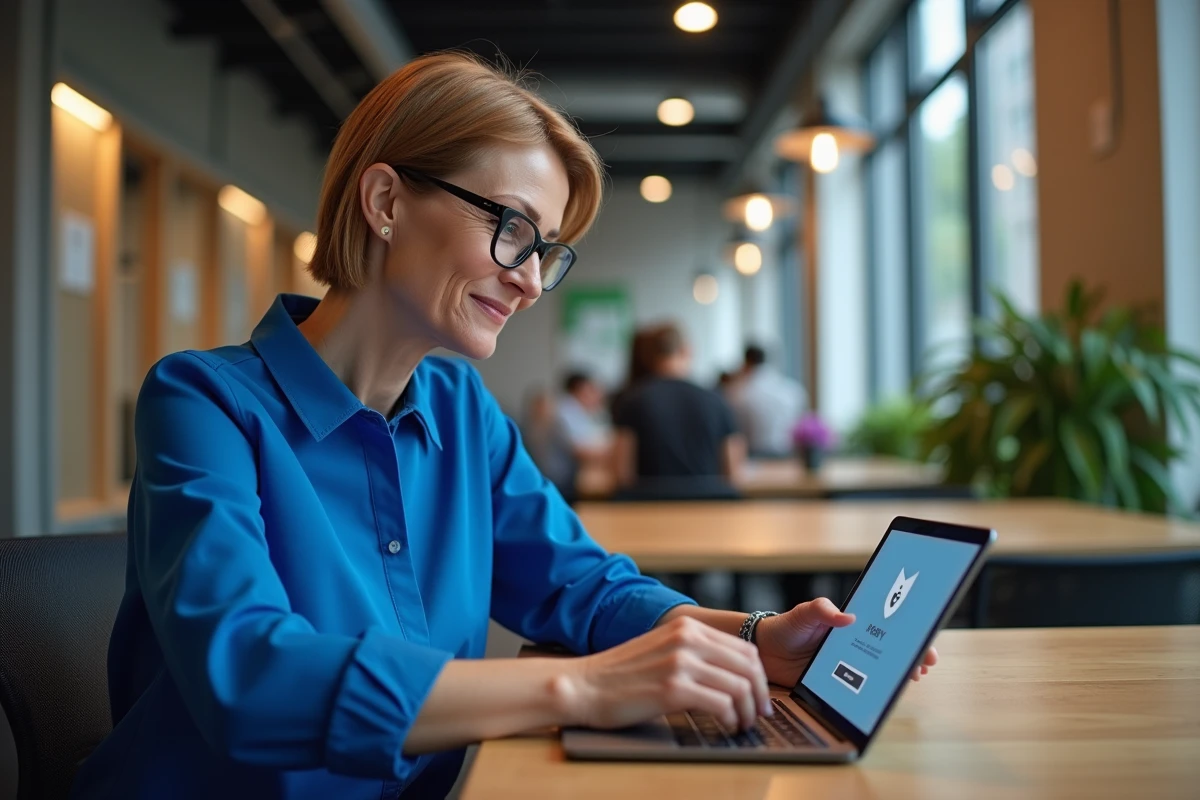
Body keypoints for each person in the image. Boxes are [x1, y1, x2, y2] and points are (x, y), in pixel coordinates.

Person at [71, 53, 935, 800]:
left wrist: (749, 638)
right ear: (385, 201)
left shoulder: (459, 410)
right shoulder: (203, 401)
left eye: (547, 251)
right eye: (513, 230)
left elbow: (584, 590)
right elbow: (248, 675)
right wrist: (579, 689)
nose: (529, 281)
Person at [611, 323, 745, 498]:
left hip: (649, 510)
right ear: (687, 350)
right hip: (709, 508)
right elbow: (733, 473)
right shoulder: (716, 400)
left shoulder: (632, 400)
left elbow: (622, 474)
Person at [727, 343, 808, 458]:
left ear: (745, 363)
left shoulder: (738, 393)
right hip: (789, 456)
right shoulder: (792, 390)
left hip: (753, 456)